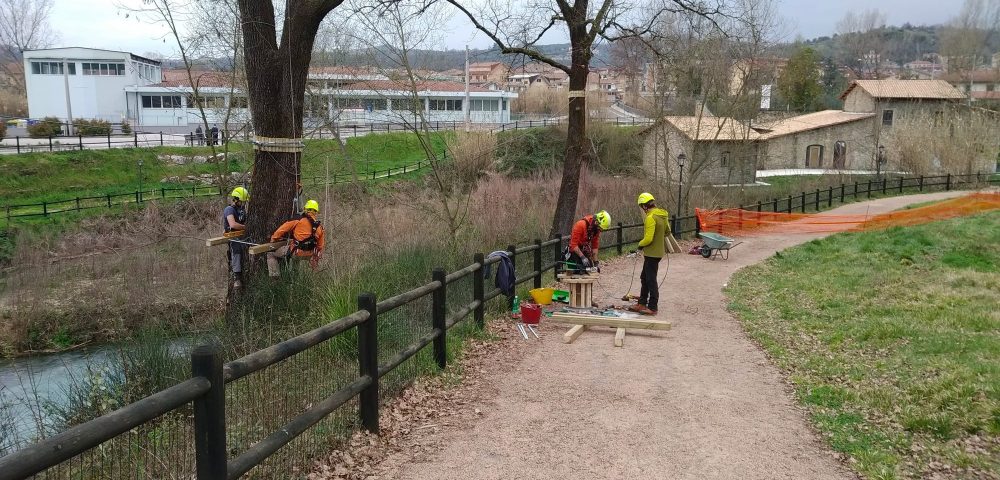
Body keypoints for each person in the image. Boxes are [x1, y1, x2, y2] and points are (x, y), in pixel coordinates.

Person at [630, 192, 668, 316]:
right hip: (658, 252)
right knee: (644, 277)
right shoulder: (662, 215)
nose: (642, 208)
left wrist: (639, 245)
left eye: (642, 206)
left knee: (650, 280)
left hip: (651, 253)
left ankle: (652, 307)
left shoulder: (650, 217)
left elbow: (648, 239)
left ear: (645, 205)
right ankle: (642, 302)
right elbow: (668, 232)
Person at [266, 200, 325, 278]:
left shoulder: (298, 219)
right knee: (296, 259)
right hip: (309, 255)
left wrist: (273, 240)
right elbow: (320, 247)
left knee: (271, 254)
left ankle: (275, 278)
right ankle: (295, 280)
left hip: (296, 252)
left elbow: (281, 230)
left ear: (305, 209)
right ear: (316, 212)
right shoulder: (320, 227)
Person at [223, 187, 249, 288]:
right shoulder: (229, 209)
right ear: (236, 199)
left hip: (243, 235)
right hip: (234, 236)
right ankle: (237, 277)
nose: (243, 203)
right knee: (236, 250)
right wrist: (247, 227)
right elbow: (233, 225)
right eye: (242, 201)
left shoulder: (242, 210)